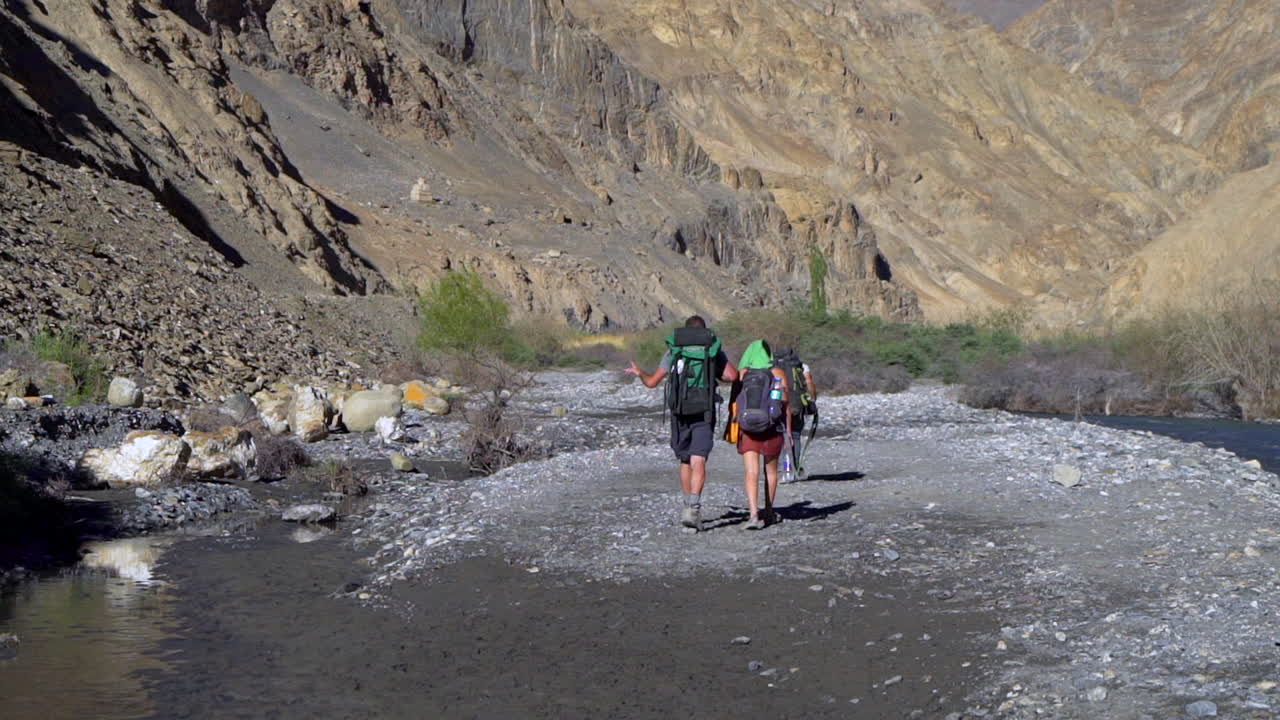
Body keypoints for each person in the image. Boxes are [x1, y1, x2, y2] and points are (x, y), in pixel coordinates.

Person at [626, 315, 738, 530]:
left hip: (680, 413)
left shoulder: (674, 351)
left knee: (685, 460)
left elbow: (651, 383)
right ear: (705, 332)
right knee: (699, 460)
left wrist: (640, 372)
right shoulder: (711, 351)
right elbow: (732, 376)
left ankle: (687, 504)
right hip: (704, 412)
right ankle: (693, 509)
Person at [731, 340, 791, 530]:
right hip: (772, 428)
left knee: (751, 472)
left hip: (749, 429)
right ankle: (769, 511)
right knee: (771, 471)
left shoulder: (744, 374)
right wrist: (788, 429)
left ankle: (753, 514)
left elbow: (736, 402)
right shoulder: (778, 373)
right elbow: (786, 402)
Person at [773, 347, 818, 481]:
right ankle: (795, 469)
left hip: (779, 405)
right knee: (795, 436)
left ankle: (785, 469)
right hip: (797, 406)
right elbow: (809, 383)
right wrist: (813, 399)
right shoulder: (801, 366)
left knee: (781, 437)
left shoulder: (773, 367)